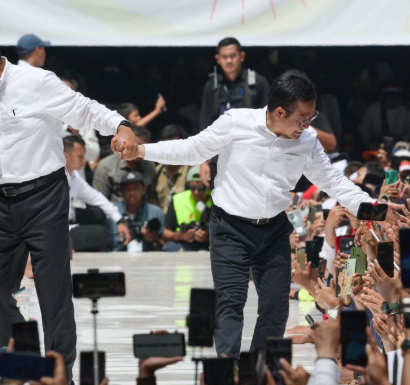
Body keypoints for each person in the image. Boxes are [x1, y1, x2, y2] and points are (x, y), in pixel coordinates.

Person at [115, 70, 384, 357]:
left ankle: (260, 373)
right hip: (230, 227)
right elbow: (191, 150)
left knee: (276, 307)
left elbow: (333, 180)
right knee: (230, 302)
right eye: (302, 119)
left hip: (274, 229)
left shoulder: (307, 141)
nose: (307, 126)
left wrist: (376, 211)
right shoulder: (236, 123)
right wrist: (141, 151)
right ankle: (227, 375)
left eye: (311, 119)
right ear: (279, 111)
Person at [0, 23, 138, 381]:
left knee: (53, 294)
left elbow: (83, 110)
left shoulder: (35, 82)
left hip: (45, 197)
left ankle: (60, 379)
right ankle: (27, 362)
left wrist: (121, 125)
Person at [199, 37, 270, 186]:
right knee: (220, 206)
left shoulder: (258, 82)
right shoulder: (211, 86)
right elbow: (205, 124)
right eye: (224, 57)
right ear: (218, 59)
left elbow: (270, 121)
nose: (229, 61)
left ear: (242, 56)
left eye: (233, 56)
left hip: (252, 157)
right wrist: (203, 162)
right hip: (220, 157)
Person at [64, 135, 131, 251]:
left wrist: (119, 220)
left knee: (99, 213)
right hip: (56, 228)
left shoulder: (74, 177)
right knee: (102, 234)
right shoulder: (54, 177)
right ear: (66, 157)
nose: (84, 161)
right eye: (80, 157)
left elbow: (96, 198)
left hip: (70, 218)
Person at [161, 165, 211, 252]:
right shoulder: (178, 200)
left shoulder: (216, 201)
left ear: (208, 186)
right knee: (168, 248)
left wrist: (207, 236)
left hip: (208, 245)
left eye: (201, 188)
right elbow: (165, 232)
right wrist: (181, 235)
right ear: (188, 185)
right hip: (183, 243)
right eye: (192, 188)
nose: (196, 192)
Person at [111, 172, 164, 252]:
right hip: (117, 258)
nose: (132, 193)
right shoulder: (112, 212)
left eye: (136, 188)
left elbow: (165, 247)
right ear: (121, 191)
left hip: (148, 259)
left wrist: (153, 240)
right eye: (127, 189)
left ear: (143, 190)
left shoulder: (156, 212)